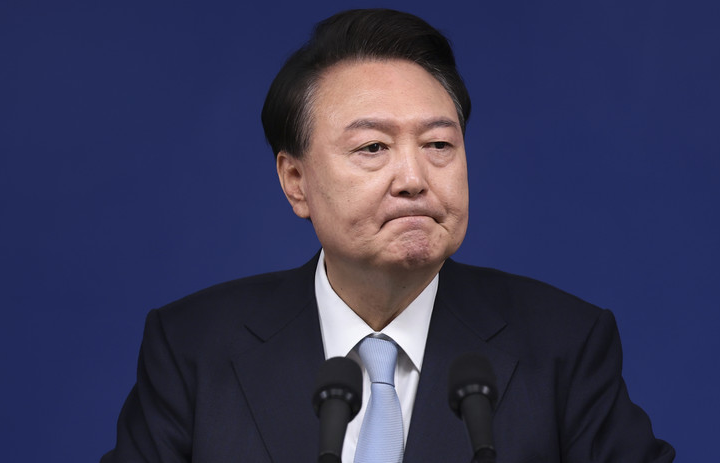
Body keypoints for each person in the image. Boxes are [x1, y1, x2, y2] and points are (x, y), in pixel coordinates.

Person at [102, 8, 674, 463]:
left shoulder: (564, 345)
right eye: (373, 147)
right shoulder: (193, 347)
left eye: (439, 145)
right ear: (295, 181)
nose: (413, 179)